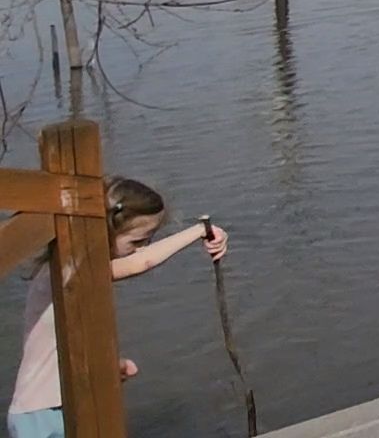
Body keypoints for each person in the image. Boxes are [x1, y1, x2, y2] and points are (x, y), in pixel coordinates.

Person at [11, 178, 228, 438]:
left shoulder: (74, 274)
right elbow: (143, 262)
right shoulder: (68, 271)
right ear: (104, 232)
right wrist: (199, 231)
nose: (141, 248)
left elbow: (61, 341)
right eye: (137, 241)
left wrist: (110, 366)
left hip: (63, 404)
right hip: (42, 414)